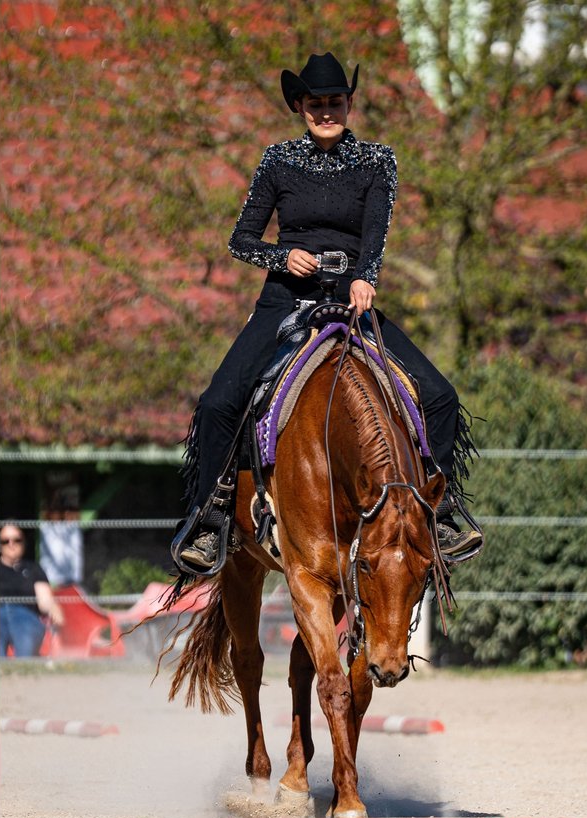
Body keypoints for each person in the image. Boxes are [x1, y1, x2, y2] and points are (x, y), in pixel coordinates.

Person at [176, 52, 483, 571]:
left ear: (349, 103)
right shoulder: (277, 160)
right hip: (284, 301)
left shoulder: (378, 161)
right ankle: (211, 520)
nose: (326, 111)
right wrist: (280, 256)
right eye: (315, 103)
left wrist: (367, 276)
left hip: (351, 298)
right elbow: (240, 239)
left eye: (335, 102)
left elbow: (376, 232)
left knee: (441, 396)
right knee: (216, 404)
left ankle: (443, 509)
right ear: (300, 106)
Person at [0, 524, 64, 657]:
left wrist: (54, 608)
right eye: (5, 541)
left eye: (17, 540)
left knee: (26, 645)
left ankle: (23, 674)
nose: (11, 544)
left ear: (24, 542)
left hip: (25, 616)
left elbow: (44, 600)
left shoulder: (33, 568)